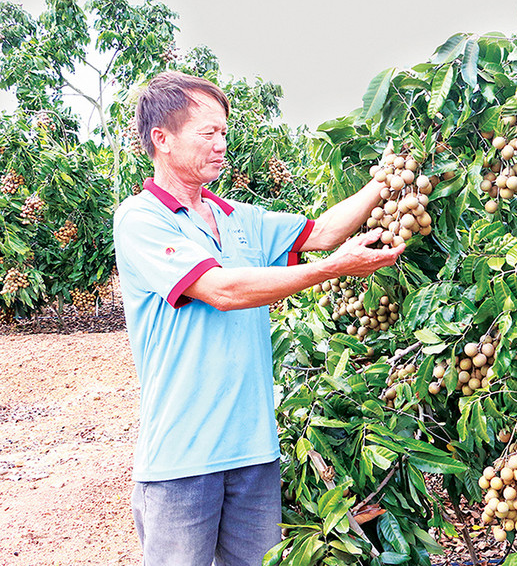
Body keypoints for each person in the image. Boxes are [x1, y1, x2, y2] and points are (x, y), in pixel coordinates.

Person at [113, 71, 403, 565]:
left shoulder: (238, 217)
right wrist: (332, 269)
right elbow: (221, 290)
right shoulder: (141, 219)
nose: (221, 144)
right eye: (208, 133)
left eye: (224, 132)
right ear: (162, 139)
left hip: (254, 454)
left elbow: (324, 232)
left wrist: (387, 179)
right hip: (181, 459)